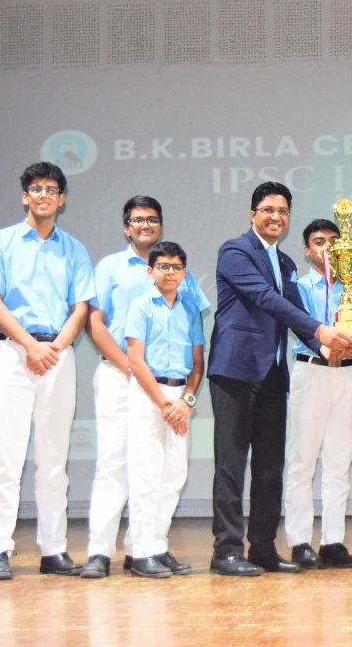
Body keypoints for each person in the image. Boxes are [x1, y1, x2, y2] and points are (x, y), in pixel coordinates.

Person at [207, 181, 352, 576]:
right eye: (268, 210)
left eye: (283, 211)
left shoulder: (286, 263)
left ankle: (263, 549)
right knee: (231, 465)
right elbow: (265, 298)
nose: (276, 217)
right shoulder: (235, 252)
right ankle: (226, 551)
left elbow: (292, 310)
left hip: (273, 373)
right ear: (253, 214)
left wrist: (327, 347)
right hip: (235, 370)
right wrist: (321, 331)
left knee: (270, 467)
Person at [81, 195, 211, 578]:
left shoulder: (177, 272)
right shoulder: (110, 267)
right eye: (138, 220)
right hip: (120, 372)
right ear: (126, 227)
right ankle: (99, 551)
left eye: (153, 219)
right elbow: (96, 323)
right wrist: (133, 371)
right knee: (114, 463)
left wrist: (179, 396)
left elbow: (193, 327)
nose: (146, 225)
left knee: (167, 469)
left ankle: (151, 544)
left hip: (166, 384)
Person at [0, 162, 94, 580]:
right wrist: (29, 345)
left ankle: (53, 549)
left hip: (57, 355)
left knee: (53, 460)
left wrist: (54, 348)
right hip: (13, 354)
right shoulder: (1, 242)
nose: (44, 195)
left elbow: (81, 307)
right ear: (25, 196)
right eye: (36, 188)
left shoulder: (74, 249)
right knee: (5, 458)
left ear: (62, 199)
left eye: (51, 189)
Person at [283, 219, 352, 569]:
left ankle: (333, 541)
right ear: (307, 251)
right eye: (319, 242)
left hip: (348, 375)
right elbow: (303, 327)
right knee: (302, 461)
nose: (327, 248)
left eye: (334, 242)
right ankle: (299, 541)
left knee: (339, 461)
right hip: (312, 372)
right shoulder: (299, 287)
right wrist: (329, 346)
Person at [122, 241, 205, 579]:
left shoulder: (190, 309)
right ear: (150, 271)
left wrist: (186, 401)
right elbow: (135, 359)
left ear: (184, 273)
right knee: (146, 475)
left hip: (180, 398)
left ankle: (156, 545)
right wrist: (162, 403)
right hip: (148, 394)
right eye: (163, 266)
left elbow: (198, 363)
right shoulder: (140, 306)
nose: (170, 273)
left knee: (173, 475)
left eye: (176, 267)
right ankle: (141, 553)